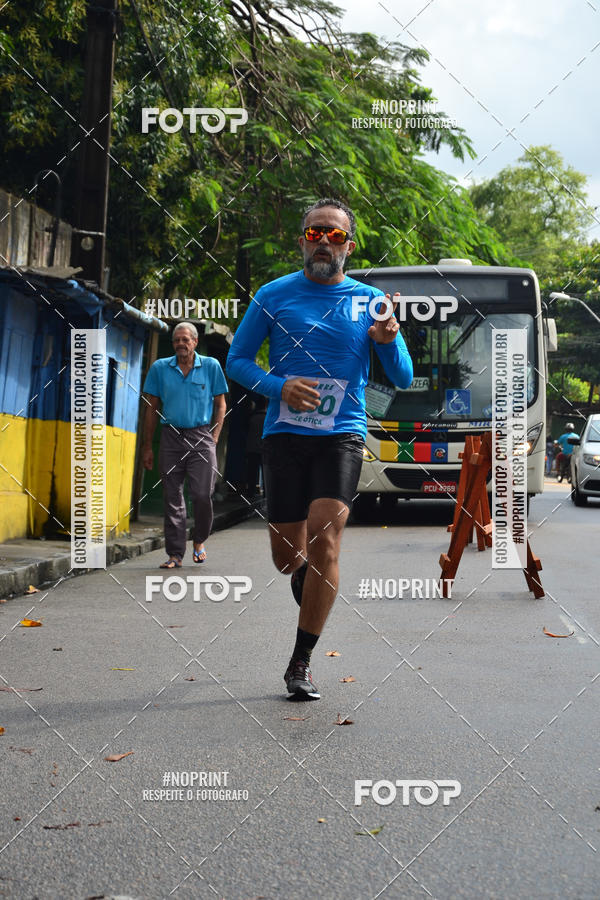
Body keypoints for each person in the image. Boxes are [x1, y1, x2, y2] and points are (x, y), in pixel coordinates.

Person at [226, 198, 413, 700]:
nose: (324, 242)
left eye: (334, 235)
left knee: (327, 538)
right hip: (284, 435)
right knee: (288, 558)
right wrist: (278, 387)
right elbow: (237, 361)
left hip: (343, 434)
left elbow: (402, 377)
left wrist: (389, 339)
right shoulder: (273, 294)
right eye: (315, 234)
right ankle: (307, 579)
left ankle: (301, 663)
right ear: (302, 241)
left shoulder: (370, 300)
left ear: (349, 246)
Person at [142, 322, 228, 568]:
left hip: (201, 436)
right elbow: (151, 409)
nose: (181, 344)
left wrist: (214, 436)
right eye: (177, 340)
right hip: (170, 437)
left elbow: (220, 404)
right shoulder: (160, 368)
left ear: (195, 342)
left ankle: (199, 540)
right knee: (172, 497)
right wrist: (148, 446)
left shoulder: (211, 366)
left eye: (185, 340)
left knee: (202, 494)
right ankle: (175, 554)